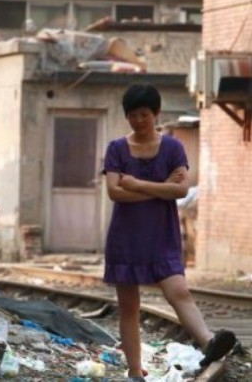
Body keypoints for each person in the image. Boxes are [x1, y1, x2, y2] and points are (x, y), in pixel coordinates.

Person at [103, 83, 237, 381]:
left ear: (156, 113)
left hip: (162, 235)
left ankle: (209, 342)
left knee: (180, 291)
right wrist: (160, 189)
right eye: (133, 115)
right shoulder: (116, 149)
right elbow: (114, 192)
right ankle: (135, 371)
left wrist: (137, 185)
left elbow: (181, 188)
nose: (139, 120)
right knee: (129, 306)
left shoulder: (173, 147)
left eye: (144, 114)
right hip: (126, 238)